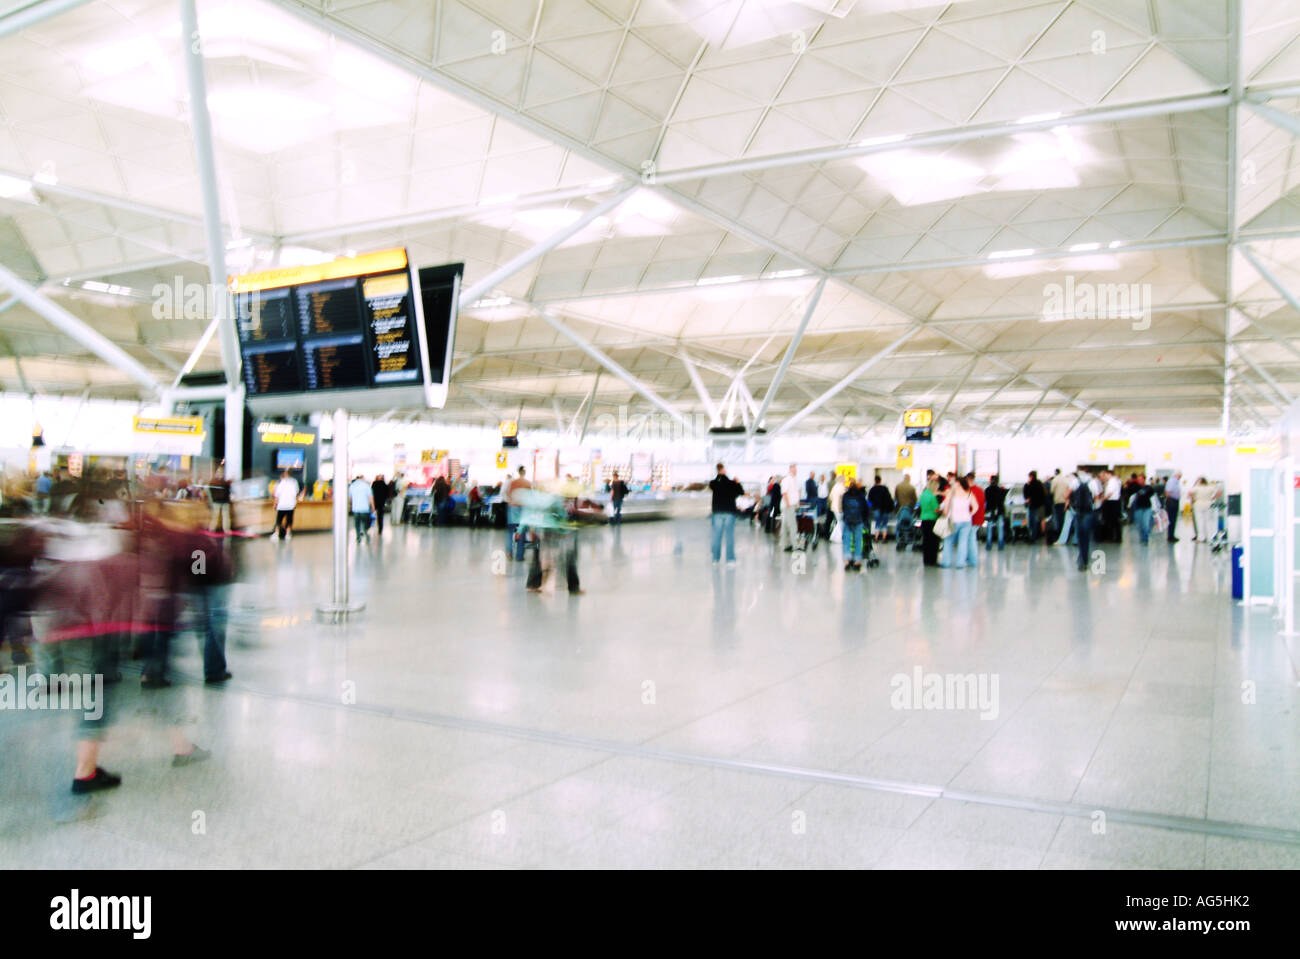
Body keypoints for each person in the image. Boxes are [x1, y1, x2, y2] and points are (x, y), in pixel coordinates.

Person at [708, 463, 743, 565]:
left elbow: (714, 483)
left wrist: (720, 476)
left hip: (717, 512)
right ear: (723, 470)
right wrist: (738, 482)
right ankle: (730, 560)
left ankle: (715, 559)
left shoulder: (715, 483)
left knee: (717, 536)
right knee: (729, 536)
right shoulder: (731, 483)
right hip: (729, 513)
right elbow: (740, 492)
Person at [939, 475, 977, 568]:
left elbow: (946, 508)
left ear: (958, 483)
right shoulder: (969, 493)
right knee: (963, 542)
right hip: (966, 521)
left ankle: (946, 562)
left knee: (948, 541)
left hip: (953, 520)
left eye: (954, 482)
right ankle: (960, 563)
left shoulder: (951, 494)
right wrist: (970, 514)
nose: (953, 483)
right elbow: (976, 507)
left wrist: (946, 514)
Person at [1072, 470, 1101, 571]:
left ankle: (1081, 559)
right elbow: (1097, 497)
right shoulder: (1093, 482)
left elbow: (1068, 494)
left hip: (1078, 512)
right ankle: (1085, 560)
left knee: (1079, 537)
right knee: (1087, 537)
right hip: (1088, 512)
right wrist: (1096, 510)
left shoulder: (1075, 481)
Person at [840, 478, 868, 571]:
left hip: (847, 521)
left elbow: (843, 508)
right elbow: (865, 509)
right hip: (858, 521)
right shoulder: (861, 496)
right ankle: (857, 562)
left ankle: (847, 562)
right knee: (858, 541)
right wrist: (864, 520)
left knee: (847, 541)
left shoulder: (845, 496)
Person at [506, 466, 531, 560]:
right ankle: (519, 556)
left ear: (518, 472)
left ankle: (509, 552)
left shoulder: (513, 482)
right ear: (524, 473)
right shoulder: (528, 483)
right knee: (522, 531)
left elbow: (508, 494)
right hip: (522, 507)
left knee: (510, 531)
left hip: (512, 507)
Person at [919, 475, 941, 567]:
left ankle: (926, 560)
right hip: (932, 520)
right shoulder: (932, 497)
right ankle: (933, 561)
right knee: (933, 542)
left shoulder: (923, 495)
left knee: (926, 541)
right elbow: (936, 509)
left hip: (924, 520)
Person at [272, 469, 300, 540]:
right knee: (289, 520)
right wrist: (295, 503)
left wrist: (275, 504)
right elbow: (296, 494)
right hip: (290, 505)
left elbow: (277, 495)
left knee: (279, 520)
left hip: (281, 505)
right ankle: (288, 534)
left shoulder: (280, 482)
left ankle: (276, 534)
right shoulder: (294, 482)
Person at [965, 472, 985, 567]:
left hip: (971, 518)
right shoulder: (980, 490)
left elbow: (969, 506)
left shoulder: (969, 491)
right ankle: (971, 558)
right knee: (971, 538)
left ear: (968, 479)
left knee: (971, 539)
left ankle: (973, 560)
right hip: (979, 518)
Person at [779, 464, 800, 552]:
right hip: (788, 506)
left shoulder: (793, 480)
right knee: (792, 526)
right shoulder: (787, 480)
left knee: (785, 527)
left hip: (790, 505)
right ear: (791, 469)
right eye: (795, 469)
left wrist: (797, 503)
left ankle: (786, 545)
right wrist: (788, 505)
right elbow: (784, 493)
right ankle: (794, 546)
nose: (796, 471)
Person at [1130, 473, 1156, 545]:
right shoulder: (1135, 487)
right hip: (1138, 508)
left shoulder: (1149, 488)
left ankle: (1145, 539)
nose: (1140, 481)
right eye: (1139, 479)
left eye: (1141, 479)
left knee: (1146, 524)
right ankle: (1142, 537)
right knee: (1140, 524)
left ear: (1144, 479)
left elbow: (1151, 494)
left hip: (1147, 508)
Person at [867, 475, 894, 543]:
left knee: (877, 522)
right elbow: (889, 498)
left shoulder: (872, 489)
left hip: (876, 508)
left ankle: (876, 538)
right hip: (885, 509)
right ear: (880, 480)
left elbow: (869, 500)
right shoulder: (885, 488)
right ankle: (884, 538)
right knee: (885, 523)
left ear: (875, 481)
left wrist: (871, 507)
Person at [893, 473, 917, 550]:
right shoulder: (912, 488)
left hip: (900, 509)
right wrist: (912, 507)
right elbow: (914, 499)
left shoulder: (898, 486)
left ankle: (899, 539)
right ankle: (908, 539)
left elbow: (895, 497)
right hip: (909, 509)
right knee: (908, 524)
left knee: (899, 524)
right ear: (909, 479)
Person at [984, 474, 1007, 551]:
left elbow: (986, 501)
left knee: (989, 529)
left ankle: (989, 545)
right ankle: (1000, 546)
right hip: (999, 511)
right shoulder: (1001, 490)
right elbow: (1003, 499)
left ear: (990, 481)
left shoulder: (987, 490)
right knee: (1000, 529)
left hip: (990, 511)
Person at [1050, 468, 1073, 544]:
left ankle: (1060, 536)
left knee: (1059, 519)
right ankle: (1067, 535)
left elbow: (1052, 491)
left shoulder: (1054, 480)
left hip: (1058, 501)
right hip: (1066, 502)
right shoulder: (1066, 479)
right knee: (1066, 520)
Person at [349, 474, 374, 543]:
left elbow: (350, 498)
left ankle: (358, 537)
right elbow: (370, 497)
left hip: (356, 508)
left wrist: (351, 505)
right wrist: (373, 506)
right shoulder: (366, 486)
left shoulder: (352, 486)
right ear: (362, 479)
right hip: (365, 508)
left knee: (357, 523)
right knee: (365, 522)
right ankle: (366, 533)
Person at [207, 465, 232, 533]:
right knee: (217, 516)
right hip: (219, 501)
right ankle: (213, 529)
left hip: (222, 501)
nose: (220, 473)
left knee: (223, 517)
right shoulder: (218, 482)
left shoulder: (217, 481)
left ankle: (224, 529)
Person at [1190, 477, 1215, 542]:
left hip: (1198, 505)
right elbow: (1219, 492)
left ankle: (1201, 537)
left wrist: (1193, 499)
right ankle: (1210, 537)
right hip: (1208, 504)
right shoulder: (1210, 487)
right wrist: (1212, 498)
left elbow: (1189, 493)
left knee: (1200, 521)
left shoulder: (1197, 487)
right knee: (1208, 521)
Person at [1023, 471, 1046, 542]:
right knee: (1037, 520)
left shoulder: (1030, 484)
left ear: (1031, 476)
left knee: (1032, 521)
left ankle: (1032, 536)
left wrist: (1026, 485)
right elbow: (1043, 493)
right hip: (1039, 505)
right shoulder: (1039, 483)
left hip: (1032, 505)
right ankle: (1036, 535)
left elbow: (1027, 493)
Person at [1101, 470, 1123, 543]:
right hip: (1115, 502)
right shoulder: (1115, 481)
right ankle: (1116, 537)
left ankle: (1112, 537)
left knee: (1111, 520)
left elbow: (1110, 493)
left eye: (1106, 475)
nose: (1105, 476)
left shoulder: (1112, 482)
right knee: (1115, 521)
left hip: (1112, 502)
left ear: (1109, 474)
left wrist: (1103, 499)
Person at [1164, 471, 1182, 543]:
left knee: (1173, 519)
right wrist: (1170, 500)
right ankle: (1170, 536)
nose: (1180, 477)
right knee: (1171, 519)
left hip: (1174, 501)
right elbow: (1167, 492)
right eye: (1180, 476)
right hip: (1172, 501)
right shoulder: (1172, 481)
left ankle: (1171, 535)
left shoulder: (1176, 482)